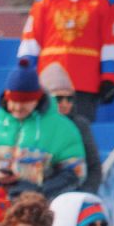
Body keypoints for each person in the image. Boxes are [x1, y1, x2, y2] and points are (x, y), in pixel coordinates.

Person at [0, 63, 86, 200]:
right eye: (13, 101)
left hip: (37, 203)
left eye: (25, 102)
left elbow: (76, 172)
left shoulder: (62, 128)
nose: (18, 108)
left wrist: (38, 191)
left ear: (37, 100)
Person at [19, 0, 114, 118]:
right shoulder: (44, 1)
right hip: (49, 82)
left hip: (86, 82)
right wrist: (24, 71)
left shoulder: (105, 2)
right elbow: (30, 41)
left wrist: (110, 77)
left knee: (81, 131)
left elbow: (112, 44)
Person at [41, 63, 104, 193]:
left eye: (69, 99)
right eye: (58, 99)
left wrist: (85, 193)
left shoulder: (80, 125)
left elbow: (94, 167)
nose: (65, 104)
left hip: (72, 191)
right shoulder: (35, 125)